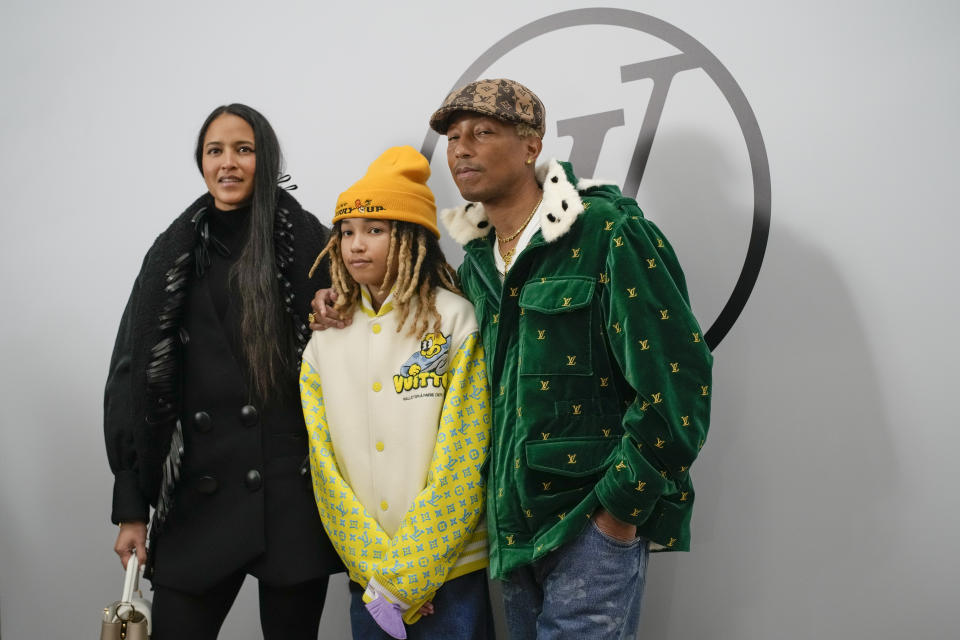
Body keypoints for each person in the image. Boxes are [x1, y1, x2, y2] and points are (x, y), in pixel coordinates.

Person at [425, 78, 715, 639]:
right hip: (511, 526)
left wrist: (618, 512)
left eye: (483, 132)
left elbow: (678, 385)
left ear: (532, 145)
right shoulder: (475, 265)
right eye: (454, 137)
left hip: (590, 522)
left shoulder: (608, 232)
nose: (461, 148)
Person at [104, 103, 341, 640]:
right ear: (202, 163)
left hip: (291, 495)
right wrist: (131, 508)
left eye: (244, 149)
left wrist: (338, 302)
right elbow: (128, 375)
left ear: (266, 159)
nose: (228, 163)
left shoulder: (316, 246)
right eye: (215, 151)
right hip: (197, 497)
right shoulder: (169, 256)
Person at [299, 146, 493, 640]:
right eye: (346, 233)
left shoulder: (453, 320)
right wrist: (382, 574)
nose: (355, 245)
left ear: (410, 237)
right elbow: (326, 470)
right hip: (370, 578)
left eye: (375, 230)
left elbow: (463, 458)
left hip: (449, 574)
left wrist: (411, 575)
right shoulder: (325, 337)